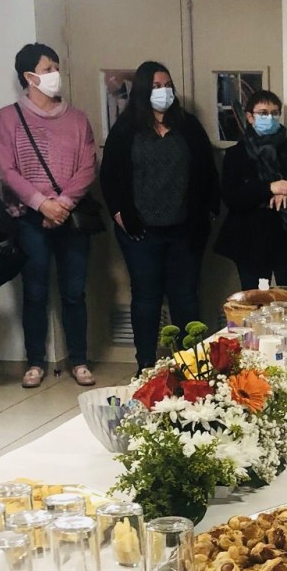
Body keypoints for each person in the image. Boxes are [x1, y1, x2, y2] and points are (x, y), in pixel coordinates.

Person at [99, 61, 219, 372]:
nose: (163, 91)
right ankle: (146, 364)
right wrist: (120, 214)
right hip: (140, 232)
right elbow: (110, 176)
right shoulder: (126, 130)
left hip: (185, 230)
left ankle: (190, 363)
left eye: (167, 85)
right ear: (142, 90)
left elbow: (207, 172)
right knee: (146, 297)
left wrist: (208, 213)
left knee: (185, 297)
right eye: (155, 87)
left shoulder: (188, 126)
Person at [0, 42, 98, 390]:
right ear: (29, 76)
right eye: (47, 68)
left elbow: (87, 167)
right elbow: (7, 170)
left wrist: (62, 204)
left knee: (74, 292)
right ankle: (35, 361)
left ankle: (79, 360)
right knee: (35, 292)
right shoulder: (8, 118)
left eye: (55, 67)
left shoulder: (77, 119)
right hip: (29, 218)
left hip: (71, 215)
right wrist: (42, 204)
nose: (55, 74)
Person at [213, 90, 287, 290]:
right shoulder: (237, 154)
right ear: (250, 117)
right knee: (255, 300)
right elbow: (232, 197)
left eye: (274, 113)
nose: (269, 118)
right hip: (250, 241)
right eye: (263, 113)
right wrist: (269, 188)